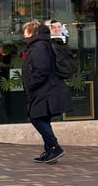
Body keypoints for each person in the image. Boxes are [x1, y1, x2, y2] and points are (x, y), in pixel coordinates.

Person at [21, 19, 72, 163]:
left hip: (45, 89)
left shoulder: (39, 46)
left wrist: (31, 84)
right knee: (42, 118)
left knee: (36, 117)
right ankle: (50, 150)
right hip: (45, 88)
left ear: (31, 33)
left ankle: (54, 147)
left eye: (25, 33)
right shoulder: (39, 45)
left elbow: (42, 68)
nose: (24, 36)